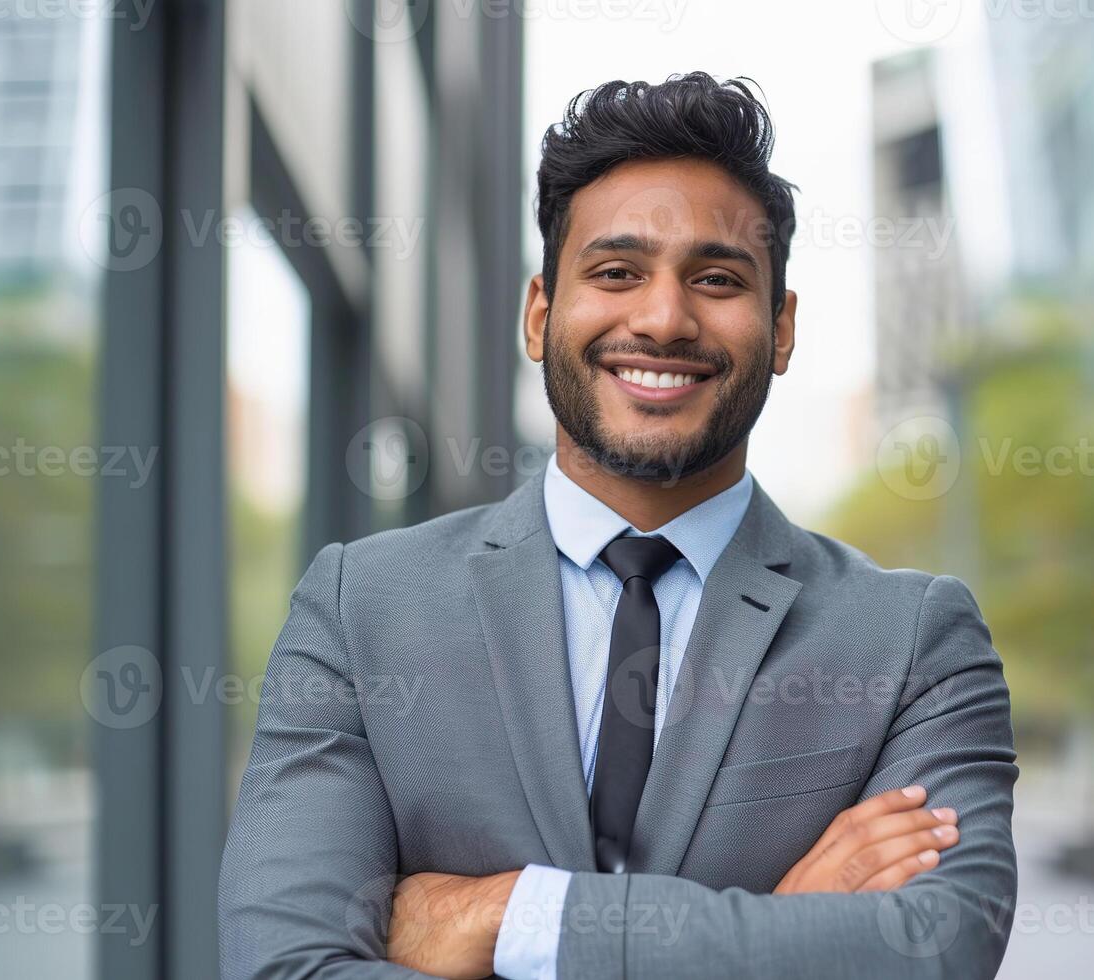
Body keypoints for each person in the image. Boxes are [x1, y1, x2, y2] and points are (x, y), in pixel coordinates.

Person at [218, 71, 1018, 979]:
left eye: (717, 279)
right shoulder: (361, 609)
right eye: (616, 272)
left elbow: (936, 950)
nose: (663, 318)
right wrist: (775, 928)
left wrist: (509, 914)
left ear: (782, 328)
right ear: (540, 314)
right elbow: (284, 967)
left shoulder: (913, 641)